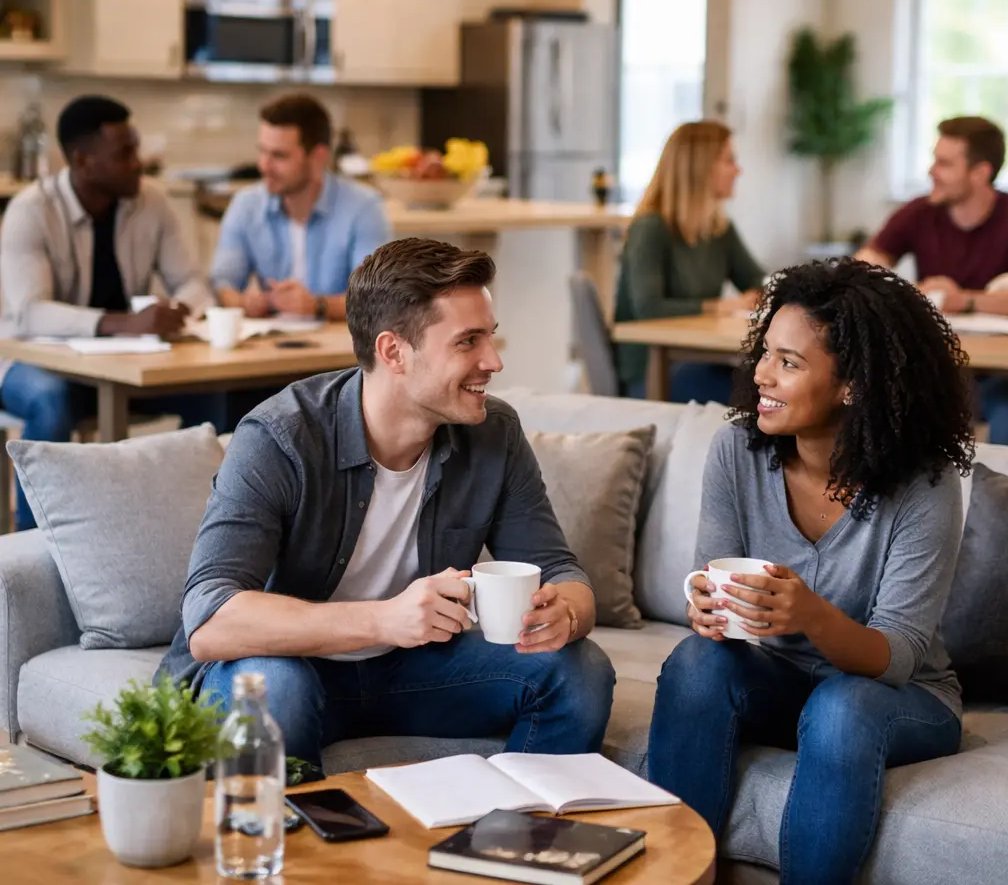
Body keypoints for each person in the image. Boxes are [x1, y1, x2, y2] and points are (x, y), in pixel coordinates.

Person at [158, 237, 615, 770]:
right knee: (275, 689)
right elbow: (211, 620)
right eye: (467, 342)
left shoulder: (494, 433)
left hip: (413, 672)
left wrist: (567, 613)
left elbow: (562, 570)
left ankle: (509, 840)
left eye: (489, 337)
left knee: (578, 672)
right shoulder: (281, 437)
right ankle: (301, 851)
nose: (493, 361)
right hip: (290, 667)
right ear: (393, 351)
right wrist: (385, 620)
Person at [647, 259, 974, 885]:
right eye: (765, 352)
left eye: (789, 362)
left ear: (852, 385)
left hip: (901, 698)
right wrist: (704, 605)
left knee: (843, 706)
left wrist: (811, 615)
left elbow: (898, 656)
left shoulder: (924, 486)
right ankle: (678, 877)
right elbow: (710, 578)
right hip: (782, 679)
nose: (762, 374)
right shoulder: (735, 452)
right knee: (694, 663)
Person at [0, 95, 223, 532]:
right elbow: (29, 314)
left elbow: (195, 284)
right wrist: (120, 323)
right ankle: (35, 552)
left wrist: (182, 309)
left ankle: (203, 533)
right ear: (82, 160)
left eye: (135, 148)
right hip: (28, 362)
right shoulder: (31, 211)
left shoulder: (153, 203)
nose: (139, 162)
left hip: (122, 365)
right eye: (125, 153)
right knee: (52, 400)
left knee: (212, 394)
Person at [855, 115, 1008, 444]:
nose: (931, 171)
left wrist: (963, 299)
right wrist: (906, 291)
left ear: (981, 173)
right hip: (929, 366)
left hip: (997, 373)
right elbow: (862, 269)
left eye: (944, 163)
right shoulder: (919, 212)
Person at [614, 121, 764, 403]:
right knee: (759, 397)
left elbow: (756, 280)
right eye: (729, 160)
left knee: (776, 389)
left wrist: (756, 295)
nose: (738, 170)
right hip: (653, 371)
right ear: (700, 167)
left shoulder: (718, 229)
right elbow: (648, 307)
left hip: (699, 361)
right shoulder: (650, 228)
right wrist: (720, 307)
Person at [210, 92, 391, 322]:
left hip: (341, 352)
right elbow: (222, 282)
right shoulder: (246, 205)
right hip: (271, 346)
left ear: (317, 157)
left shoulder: (363, 207)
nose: (264, 165)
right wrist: (244, 302)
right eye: (262, 151)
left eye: (279, 156)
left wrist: (317, 306)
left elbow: (378, 298)